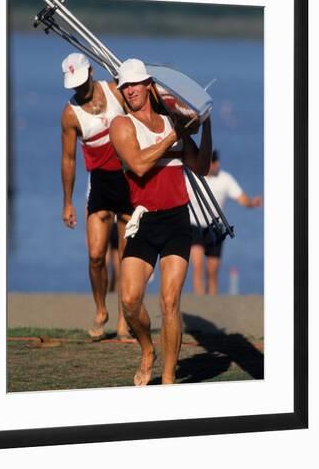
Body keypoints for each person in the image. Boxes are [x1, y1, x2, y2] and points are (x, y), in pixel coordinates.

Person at [109, 58, 212, 385]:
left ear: (148, 85)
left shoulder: (172, 121)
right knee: (129, 300)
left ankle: (167, 381)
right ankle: (147, 349)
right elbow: (138, 165)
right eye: (124, 86)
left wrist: (205, 125)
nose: (130, 91)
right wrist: (174, 136)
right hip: (143, 222)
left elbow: (201, 167)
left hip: (177, 221)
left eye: (135, 84)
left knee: (170, 302)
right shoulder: (122, 126)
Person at [60, 53, 133, 340]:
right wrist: (67, 202)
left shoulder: (115, 91)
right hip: (99, 184)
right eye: (73, 85)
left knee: (128, 256)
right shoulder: (69, 114)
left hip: (128, 181)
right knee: (95, 255)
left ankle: (126, 319)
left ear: (90, 70)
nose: (79, 89)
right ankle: (101, 309)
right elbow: (68, 160)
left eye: (81, 81)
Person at [187, 150, 262, 295]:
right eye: (214, 162)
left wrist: (252, 203)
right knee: (197, 267)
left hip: (216, 227)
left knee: (212, 271)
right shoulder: (192, 177)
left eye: (217, 162)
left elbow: (241, 198)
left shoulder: (225, 179)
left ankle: (212, 304)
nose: (217, 165)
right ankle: (200, 303)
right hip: (194, 225)